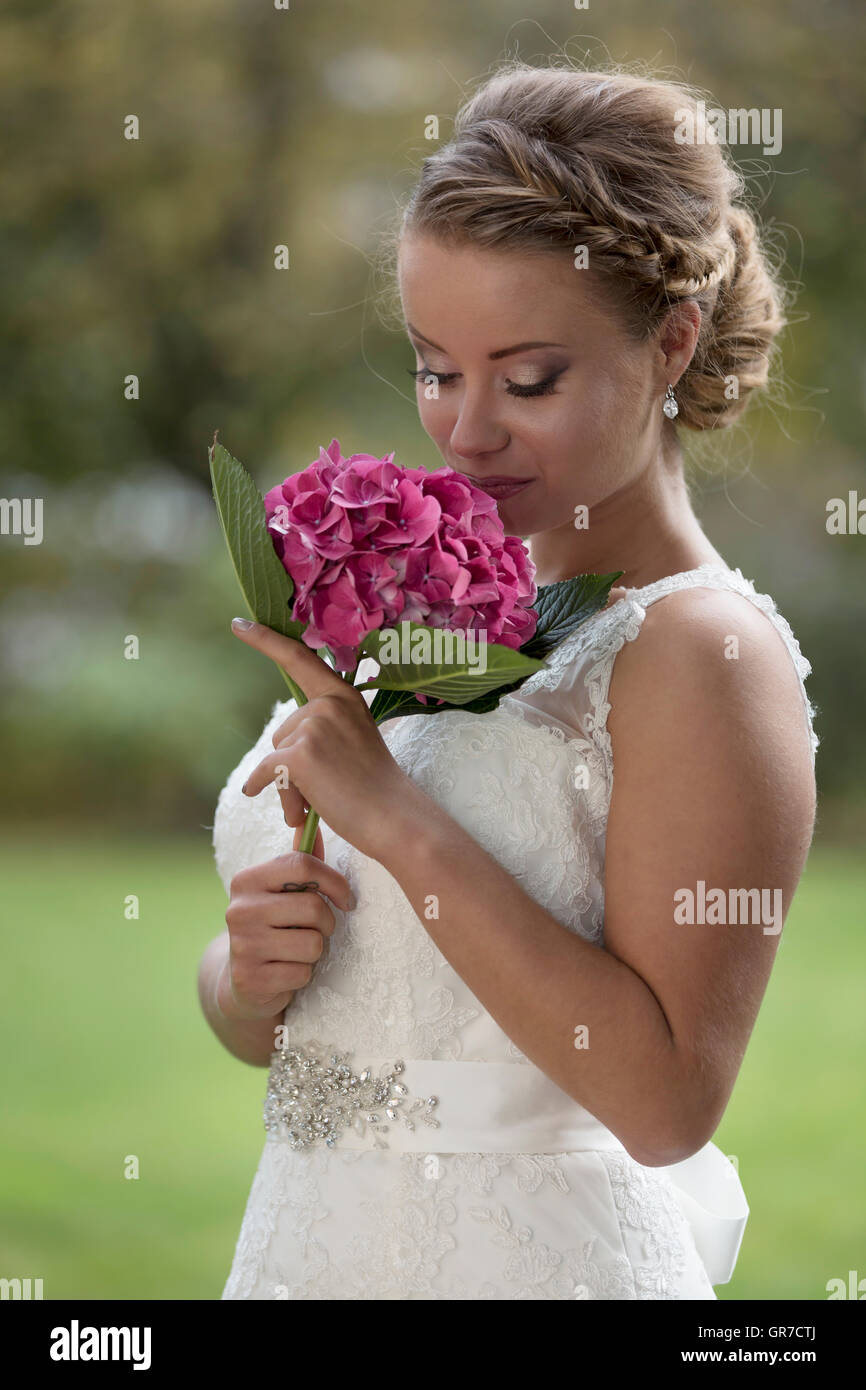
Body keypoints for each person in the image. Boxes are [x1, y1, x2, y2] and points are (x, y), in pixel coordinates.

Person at [198, 61, 817, 1300]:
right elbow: (322, 1032)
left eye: (527, 379)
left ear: (670, 345)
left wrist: (395, 819)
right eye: (435, 367)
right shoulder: (437, 602)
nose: (465, 430)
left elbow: (664, 1103)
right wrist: (243, 969)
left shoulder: (703, 655)